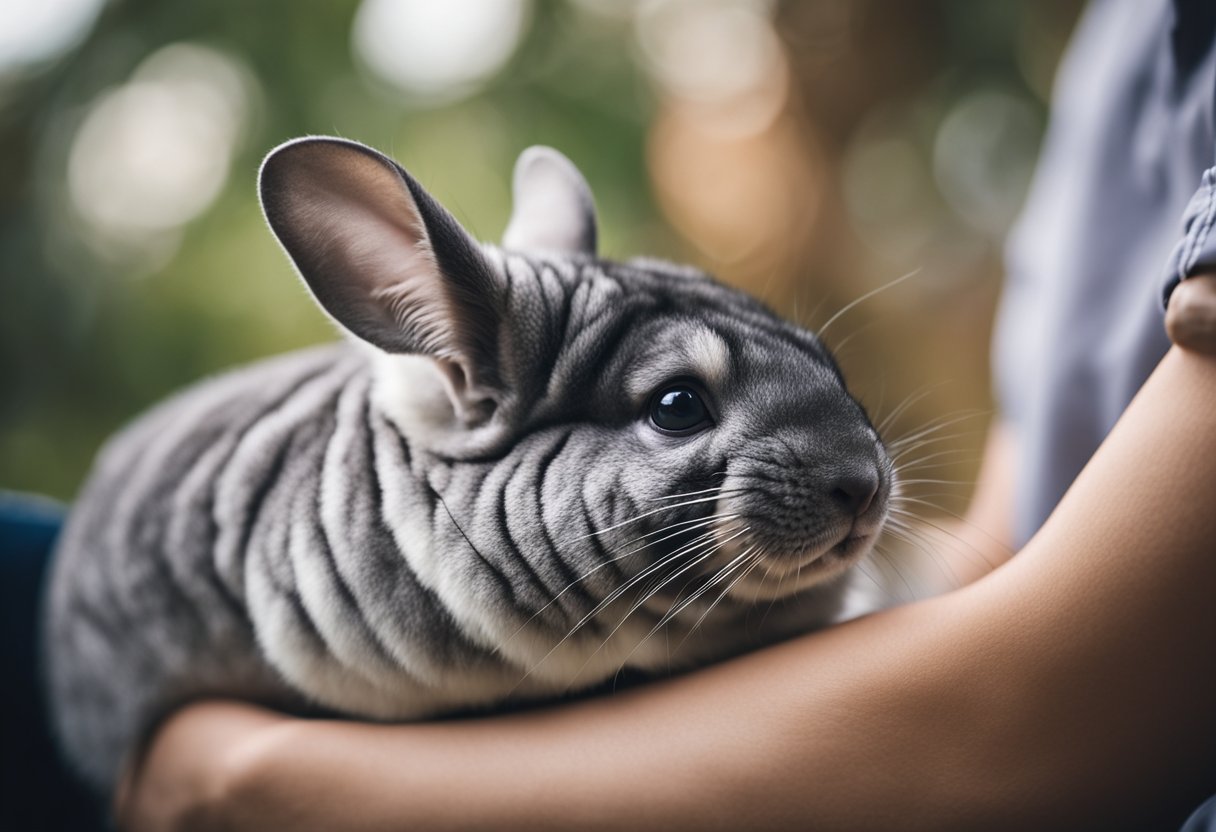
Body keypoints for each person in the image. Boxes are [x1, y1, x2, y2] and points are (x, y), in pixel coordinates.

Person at [81, 1, 1216, 828]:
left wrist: (260, 781)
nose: (864, 478)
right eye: (679, 403)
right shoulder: (1122, 41)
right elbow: (1006, 550)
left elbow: (1054, 707)